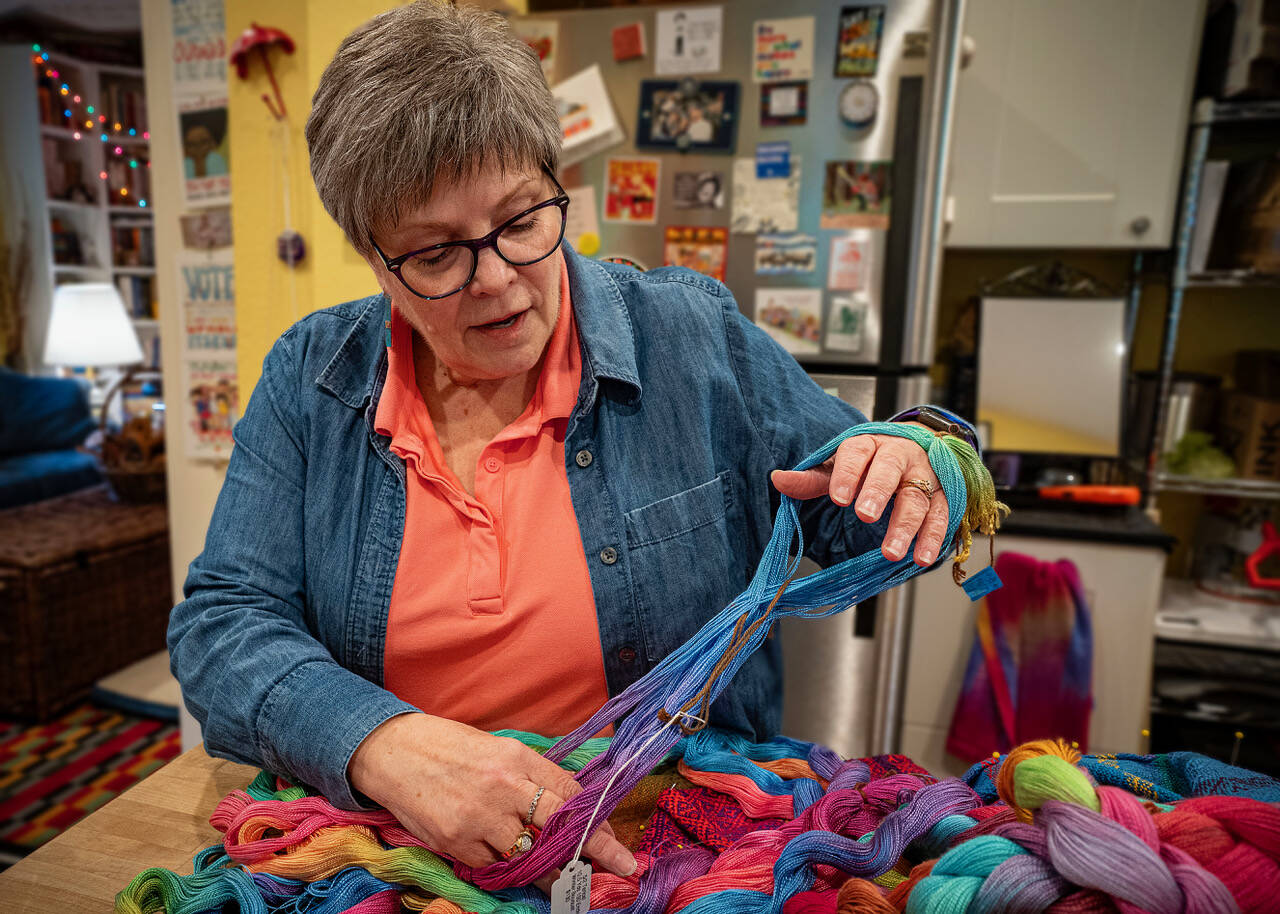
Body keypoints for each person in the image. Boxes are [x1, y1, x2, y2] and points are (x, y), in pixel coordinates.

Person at [169, 0, 973, 893]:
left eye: (521, 220)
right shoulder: (312, 382)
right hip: (397, 860)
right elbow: (222, 624)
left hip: (688, 854)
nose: (500, 280)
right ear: (373, 256)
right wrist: (380, 744)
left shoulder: (689, 340)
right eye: (437, 254)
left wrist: (918, 454)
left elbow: (867, 515)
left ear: (557, 181)